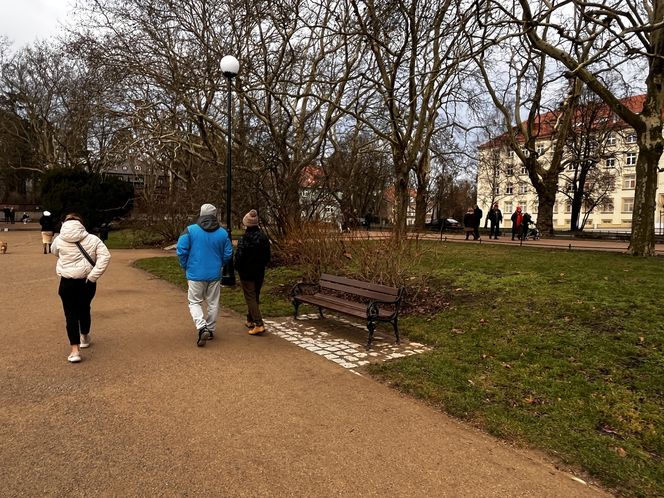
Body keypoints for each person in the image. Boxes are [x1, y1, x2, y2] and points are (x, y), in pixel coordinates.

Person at [51, 213, 111, 363]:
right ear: (81, 224)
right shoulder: (93, 239)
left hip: (67, 281)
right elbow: (106, 256)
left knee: (70, 314)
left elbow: (54, 252)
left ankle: (75, 351)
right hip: (86, 281)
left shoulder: (58, 239)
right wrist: (93, 276)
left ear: (64, 223)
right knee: (84, 308)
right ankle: (84, 336)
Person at [176, 203, 233, 347]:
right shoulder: (223, 233)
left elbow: (181, 250)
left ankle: (202, 327)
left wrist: (185, 266)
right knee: (213, 302)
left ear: (200, 214)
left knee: (194, 302)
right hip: (214, 273)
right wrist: (220, 264)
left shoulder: (190, 230)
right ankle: (210, 329)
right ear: (215, 215)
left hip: (195, 273)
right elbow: (228, 253)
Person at [234, 209, 271, 335]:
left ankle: (258, 323)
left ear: (246, 224)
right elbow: (268, 256)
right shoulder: (263, 238)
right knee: (255, 295)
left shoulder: (244, 239)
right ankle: (250, 319)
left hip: (246, 272)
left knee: (250, 297)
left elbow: (239, 257)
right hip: (259, 271)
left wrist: (237, 267)